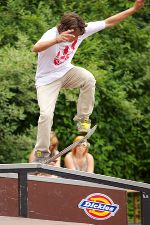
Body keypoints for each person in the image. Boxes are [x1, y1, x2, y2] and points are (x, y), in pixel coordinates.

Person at [32, 0, 144, 163]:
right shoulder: (51, 34)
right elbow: (36, 48)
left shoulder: (81, 30)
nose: (75, 38)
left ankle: (82, 118)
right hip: (46, 81)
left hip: (66, 72)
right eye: (72, 36)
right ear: (64, 30)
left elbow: (109, 22)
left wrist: (133, 9)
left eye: (78, 35)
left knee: (88, 79)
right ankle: (41, 152)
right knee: (46, 115)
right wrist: (57, 40)